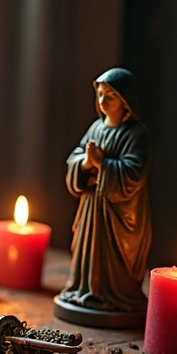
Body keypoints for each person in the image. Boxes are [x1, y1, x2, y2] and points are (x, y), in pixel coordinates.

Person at [59, 68, 151, 312]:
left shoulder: (136, 134)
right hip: (92, 208)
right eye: (100, 94)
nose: (103, 101)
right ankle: (84, 289)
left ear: (125, 100)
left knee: (113, 260)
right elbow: (76, 156)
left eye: (110, 96)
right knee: (87, 252)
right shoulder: (96, 128)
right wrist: (86, 163)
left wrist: (102, 164)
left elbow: (134, 173)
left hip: (119, 214)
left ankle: (112, 296)